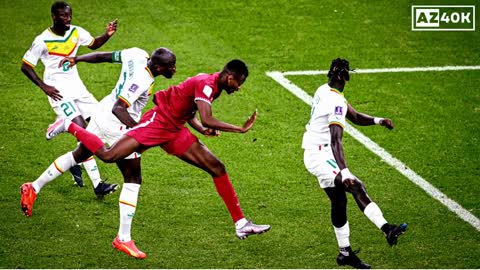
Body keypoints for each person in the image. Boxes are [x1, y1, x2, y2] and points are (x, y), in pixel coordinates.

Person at [44, 59, 271, 259]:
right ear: (229, 76)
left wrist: (201, 131)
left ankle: (241, 224)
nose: (239, 88)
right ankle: (68, 125)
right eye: (238, 83)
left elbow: (191, 112)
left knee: (217, 167)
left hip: (174, 129)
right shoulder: (207, 84)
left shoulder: (214, 87)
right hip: (157, 122)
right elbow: (208, 118)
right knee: (108, 155)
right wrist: (239, 129)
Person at [20, 46, 177, 222]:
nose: (174, 69)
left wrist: (77, 59)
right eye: (171, 66)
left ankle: (33, 187)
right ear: (158, 68)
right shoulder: (142, 80)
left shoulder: (136, 54)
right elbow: (119, 108)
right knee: (133, 178)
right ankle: (124, 237)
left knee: (79, 155)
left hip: (101, 112)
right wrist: (140, 131)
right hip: (116, 124)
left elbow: (105, 56)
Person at [302, 58, 407, 269]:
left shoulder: (324, 90)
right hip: (320, 155)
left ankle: (345, 253)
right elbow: (336, 140)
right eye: (347, 73)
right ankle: (387, 229)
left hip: (316, 151)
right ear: (344, 75)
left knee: (339, 201)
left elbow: (356, 116)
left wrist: (378, 120)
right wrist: (345, 171)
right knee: (355, 185)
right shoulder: (336, 101)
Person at [21, 1, 118, 190]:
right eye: (64, 16)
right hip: (59, 92)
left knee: (99, 124)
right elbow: (26, 66)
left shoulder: (76, 32)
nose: (68, 19)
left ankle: (75, 163)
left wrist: (107, 34)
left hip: (78, 89)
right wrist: (44, 86)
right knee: (84, 132)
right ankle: (98, 184)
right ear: (54, 17)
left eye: (70, 15)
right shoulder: (42, 40)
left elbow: (93, 44)